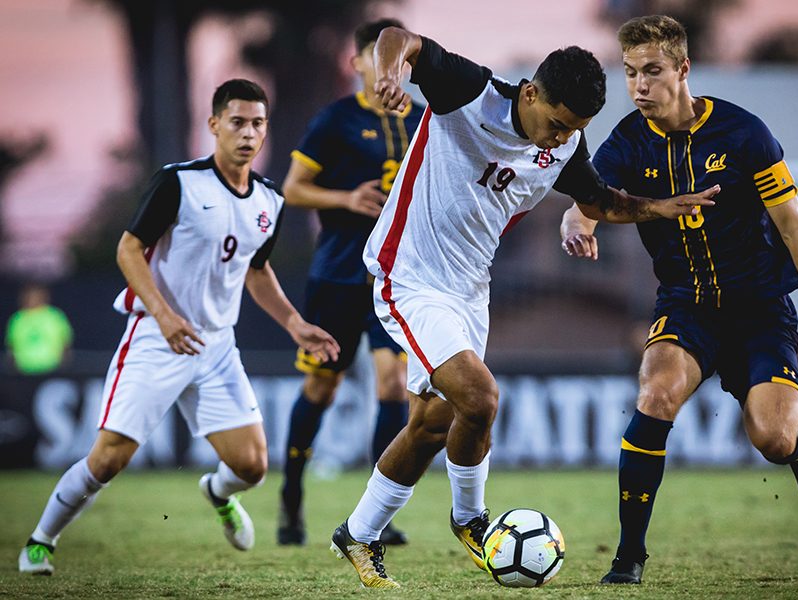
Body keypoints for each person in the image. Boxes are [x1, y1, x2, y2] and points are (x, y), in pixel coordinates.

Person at [328, 26, 718, 589]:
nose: (560, 138)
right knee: (481, 396)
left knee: (436, 420)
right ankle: (470, 520)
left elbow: (600, 199)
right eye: (558, 124)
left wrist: (659, 207)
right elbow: (399, 37)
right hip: (409, 275)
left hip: (469, 289)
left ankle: (358, 533)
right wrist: (390, 71)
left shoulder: (564, 143)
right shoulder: (469, 92)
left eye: (574, 131)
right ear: (531, 94)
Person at [559, 15, 798, 585]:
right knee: (655, 394)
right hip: (687, 304)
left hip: (760, 309)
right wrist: (576, 220)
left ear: (682, 69)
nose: (640, 86)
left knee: (771, 438)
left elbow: (797, 230)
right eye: (629, 73)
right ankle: (629, 557)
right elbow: (589, 196)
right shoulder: (628, 139)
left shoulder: (744, 134)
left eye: (652, 71)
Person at [18, 79, 339, 575]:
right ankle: (41, 539)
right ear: (214, 125)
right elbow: (128, 248)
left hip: (216, 347)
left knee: (252, 467)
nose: (248, 133)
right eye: (237, 122)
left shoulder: (269, 202)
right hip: (156, 337)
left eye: (257, 123)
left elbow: (256, 271)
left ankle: (217, 491)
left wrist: (295, 324)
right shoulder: (180, 182)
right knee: (107, 460)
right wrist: (165, 316)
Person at [278, 18, 425, 547]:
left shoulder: (422, 121)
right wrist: (345, 199)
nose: (389, 70)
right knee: (323, 384)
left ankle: (374, 517)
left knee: (392, 385)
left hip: (393, 279)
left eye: (399, 61)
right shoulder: (336, 120)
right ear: (357, 64)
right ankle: (291, 498)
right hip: (337, 275)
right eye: (377, 58)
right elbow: (292, 190)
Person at [5, 283, 73, 375]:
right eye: (29, 296)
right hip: (23, 371)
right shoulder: (17, 319)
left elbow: (65, 341)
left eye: (36, 296)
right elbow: (11, 345)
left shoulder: (54, 316)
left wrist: (64, 365)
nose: (33, 299)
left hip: (51, 369)